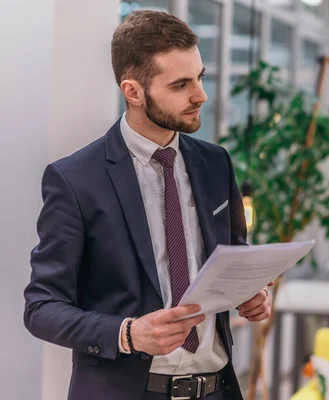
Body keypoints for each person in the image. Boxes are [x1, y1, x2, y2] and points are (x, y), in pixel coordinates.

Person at [23, 10, 270, 400]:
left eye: (200, 77)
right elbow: (41, 307)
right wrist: (128, 334)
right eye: (180, 84)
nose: (200, 95)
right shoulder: (74, 179)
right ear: (133, 91)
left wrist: (249, 293)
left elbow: (231, 254)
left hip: (217, 388)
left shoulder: (215, 163)